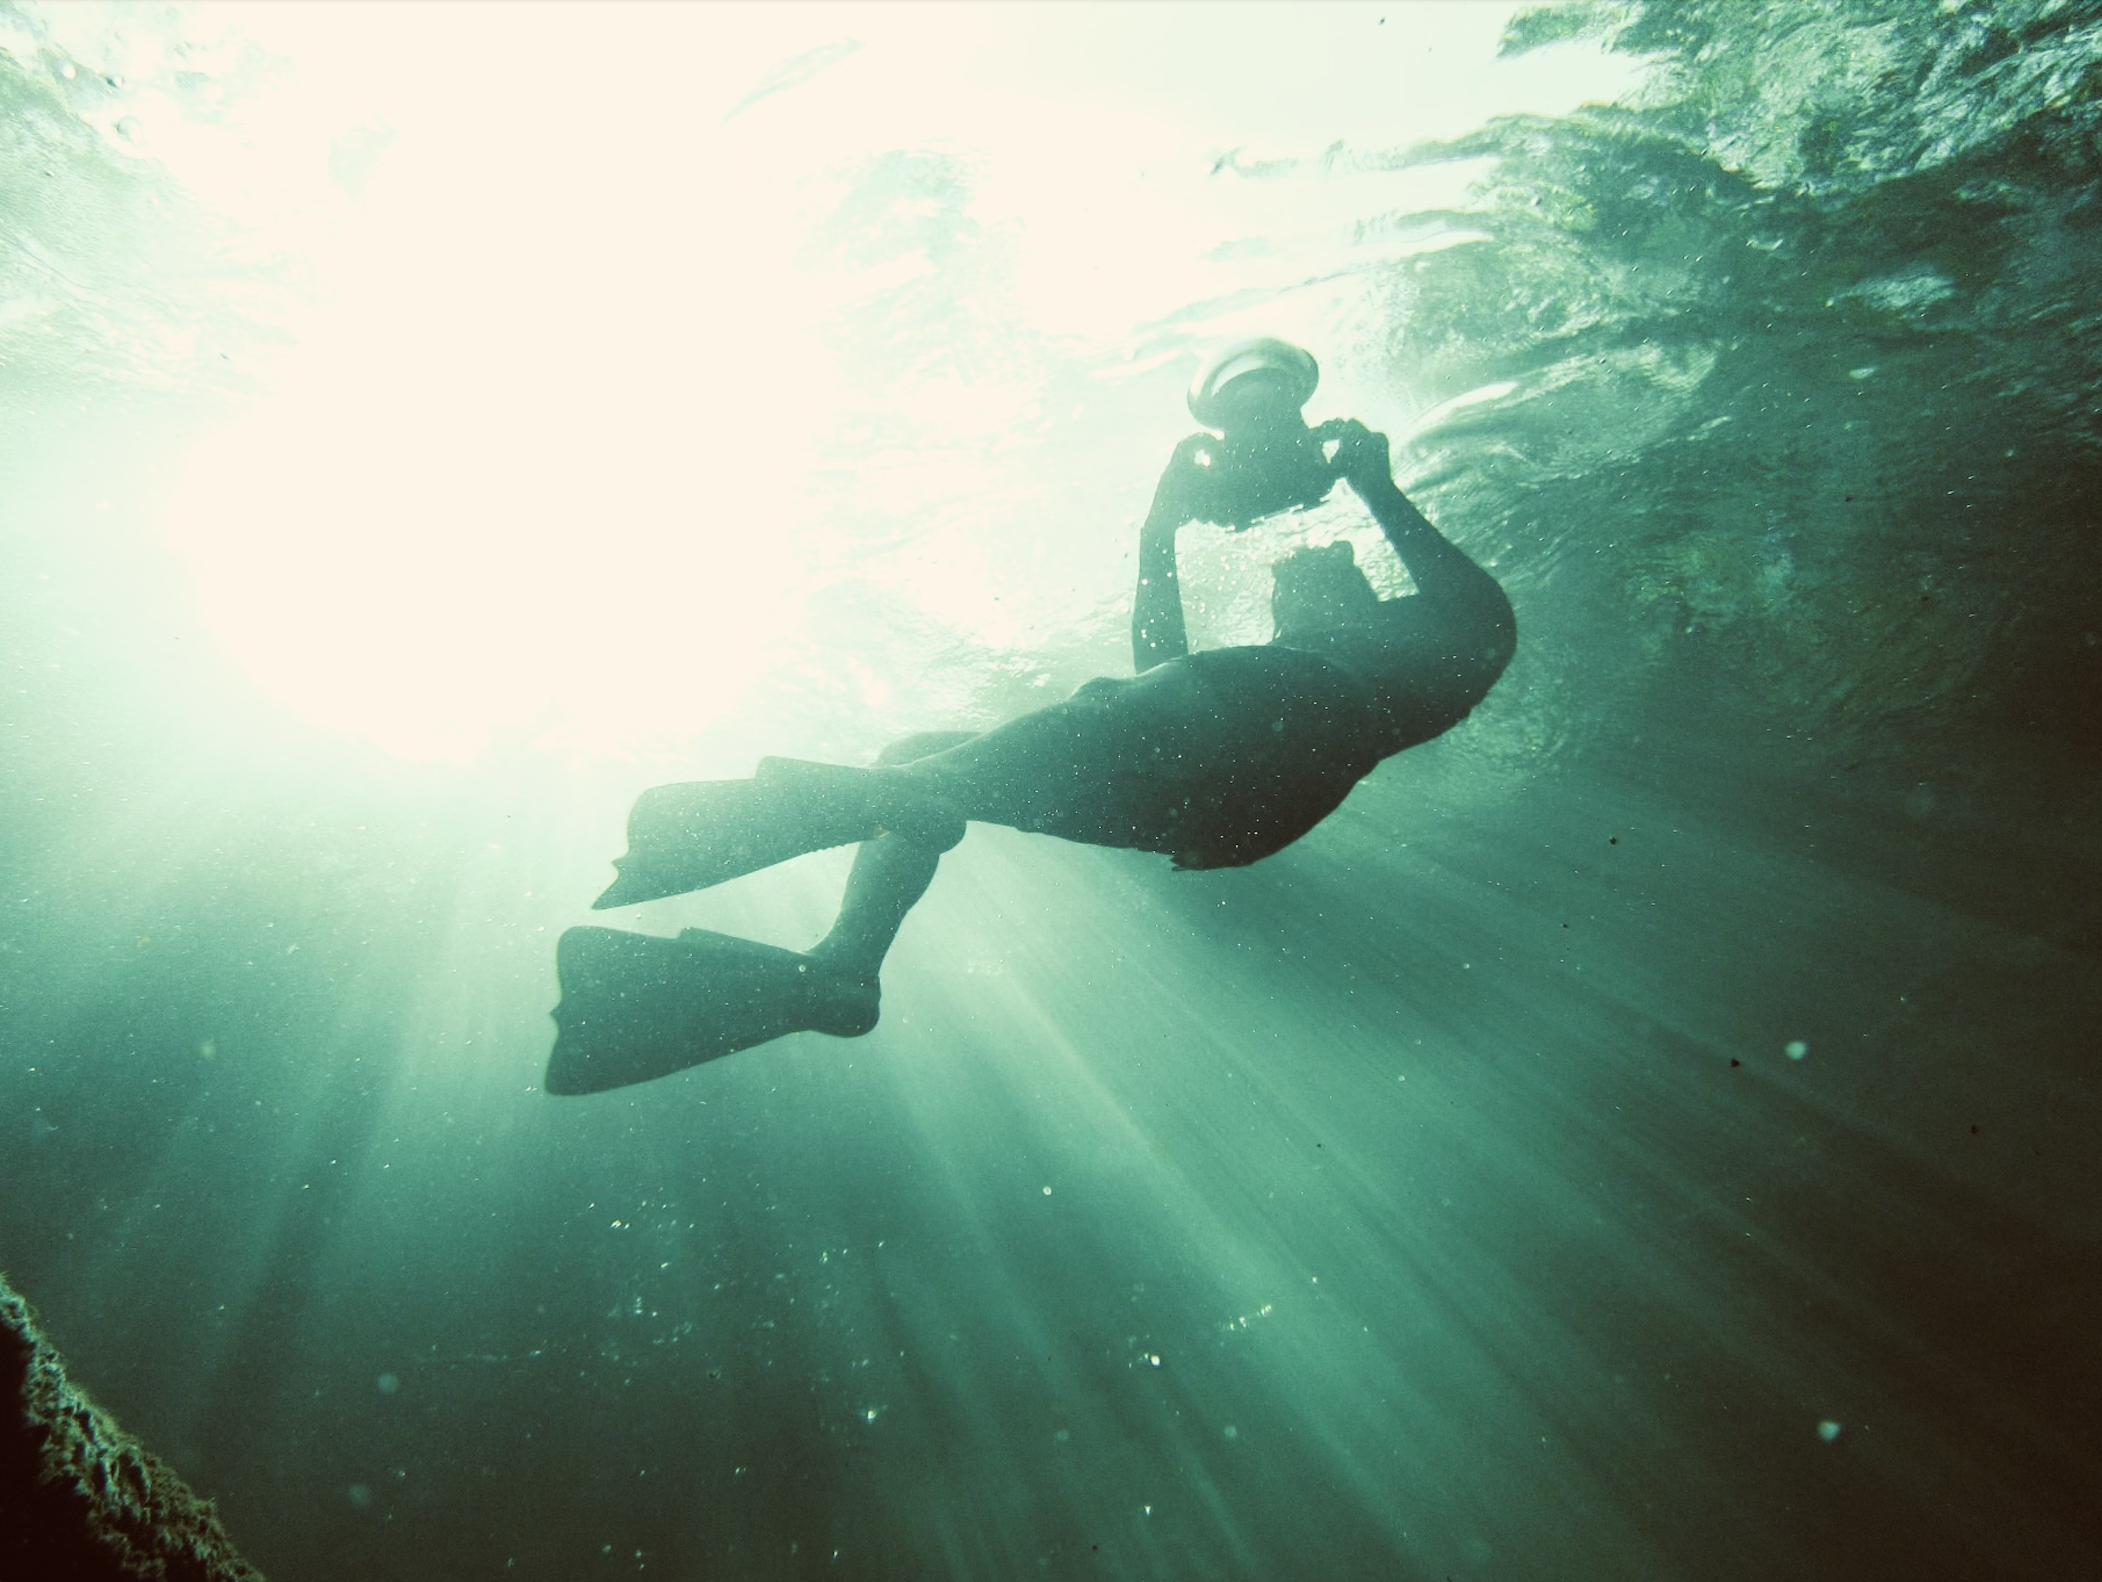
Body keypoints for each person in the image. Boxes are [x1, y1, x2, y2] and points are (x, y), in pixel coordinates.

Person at [544, 363, 1516, 1096]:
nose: (1290, 574)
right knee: (921, 756)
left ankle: (911, 801)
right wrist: (1159, 530)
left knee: (1084, 724)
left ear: (1362, 592)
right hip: (1219, 817)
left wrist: (1378, 490)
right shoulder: (1327, 666)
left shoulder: (1387, 652)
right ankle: (843, 967)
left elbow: (1480, 619)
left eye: (1319, 569)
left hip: (1264, 756)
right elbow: (1162, 681)